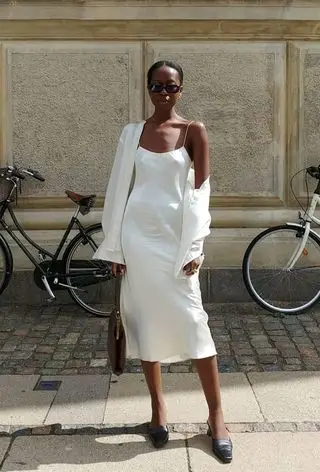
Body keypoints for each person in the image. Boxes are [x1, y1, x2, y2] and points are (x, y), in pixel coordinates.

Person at [94, 60, 232, 463]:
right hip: (138, 240)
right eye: (156, 86)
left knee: (194, 323)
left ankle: (216, 415)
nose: (163, 93)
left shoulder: (194, 131)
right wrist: (115, 246)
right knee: (147, 324)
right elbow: (119, 188)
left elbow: (202, 192)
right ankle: (158, 409)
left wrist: (196, 246)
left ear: (181, 89)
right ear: (148, 89)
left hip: (176, 241)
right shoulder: (131, 133)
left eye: (170, 86)